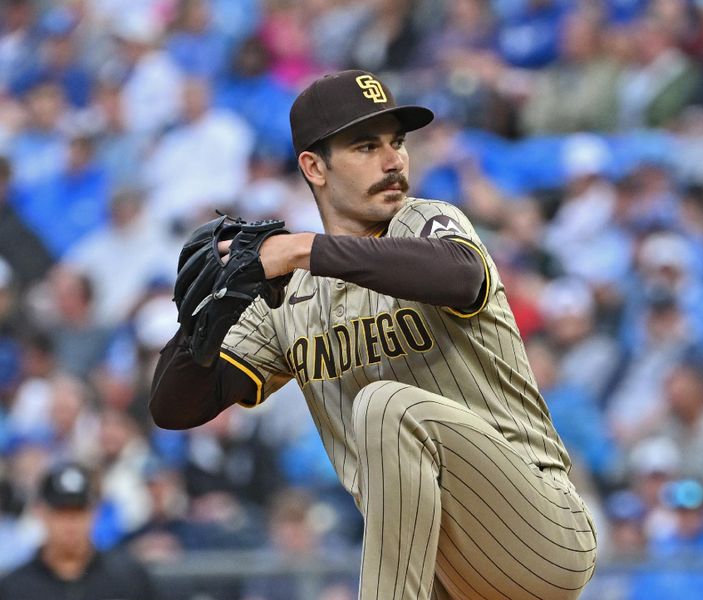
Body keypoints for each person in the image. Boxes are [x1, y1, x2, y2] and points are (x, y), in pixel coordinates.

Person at [150, 69, 597, 600]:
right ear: (314, 167)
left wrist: (300, 249)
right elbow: (175, 409)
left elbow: (461, 275)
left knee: (385, 405)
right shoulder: (288, 297)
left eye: (398, 143)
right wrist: (202, 323)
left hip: (539, 530)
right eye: (366, 146)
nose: (394, 161)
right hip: (444, 575)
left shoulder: (425, 222)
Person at [0, 462, 157, 600]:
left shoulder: (129, 578)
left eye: (79, 511)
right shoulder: (14, 588)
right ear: (41, 513)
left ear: (95, 513)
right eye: (61, 512)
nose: (71, 523)